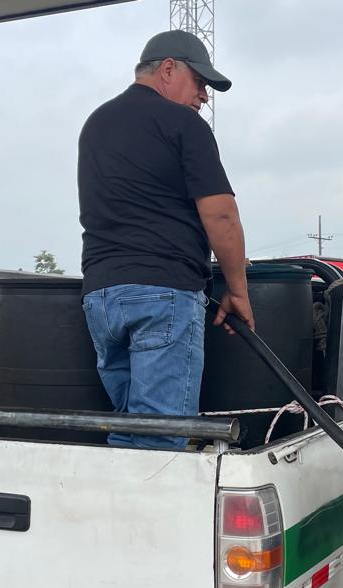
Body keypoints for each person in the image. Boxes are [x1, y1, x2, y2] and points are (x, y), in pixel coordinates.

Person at [78, 29, 254, 449]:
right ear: (169, 69)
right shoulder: (184, 125)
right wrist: (238, 290)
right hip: (162, 295)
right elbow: (221, 215)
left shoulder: (95, 124)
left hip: (101, 299)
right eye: (200, 82)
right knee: (159, 441)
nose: (204, 96)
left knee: (132, 432)